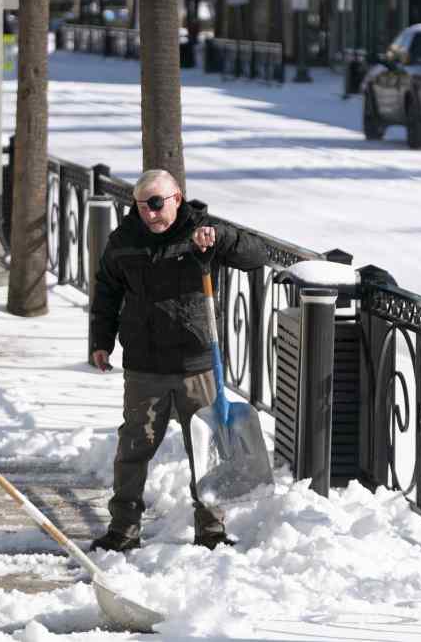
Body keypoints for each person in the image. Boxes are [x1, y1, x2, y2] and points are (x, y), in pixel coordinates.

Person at [88, 169, 266, 553]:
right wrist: (100, 342)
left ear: (177, 198)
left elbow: (256, 256)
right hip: (144, 366)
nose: (150, 213)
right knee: (134, 447)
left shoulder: (202, 232)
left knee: (204, 448)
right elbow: (106, 291)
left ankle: (211, 528)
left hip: (196, 363)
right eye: (142, 205)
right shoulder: (124, 241)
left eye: (157, 204)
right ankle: (123, 527)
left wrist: (222, 239)